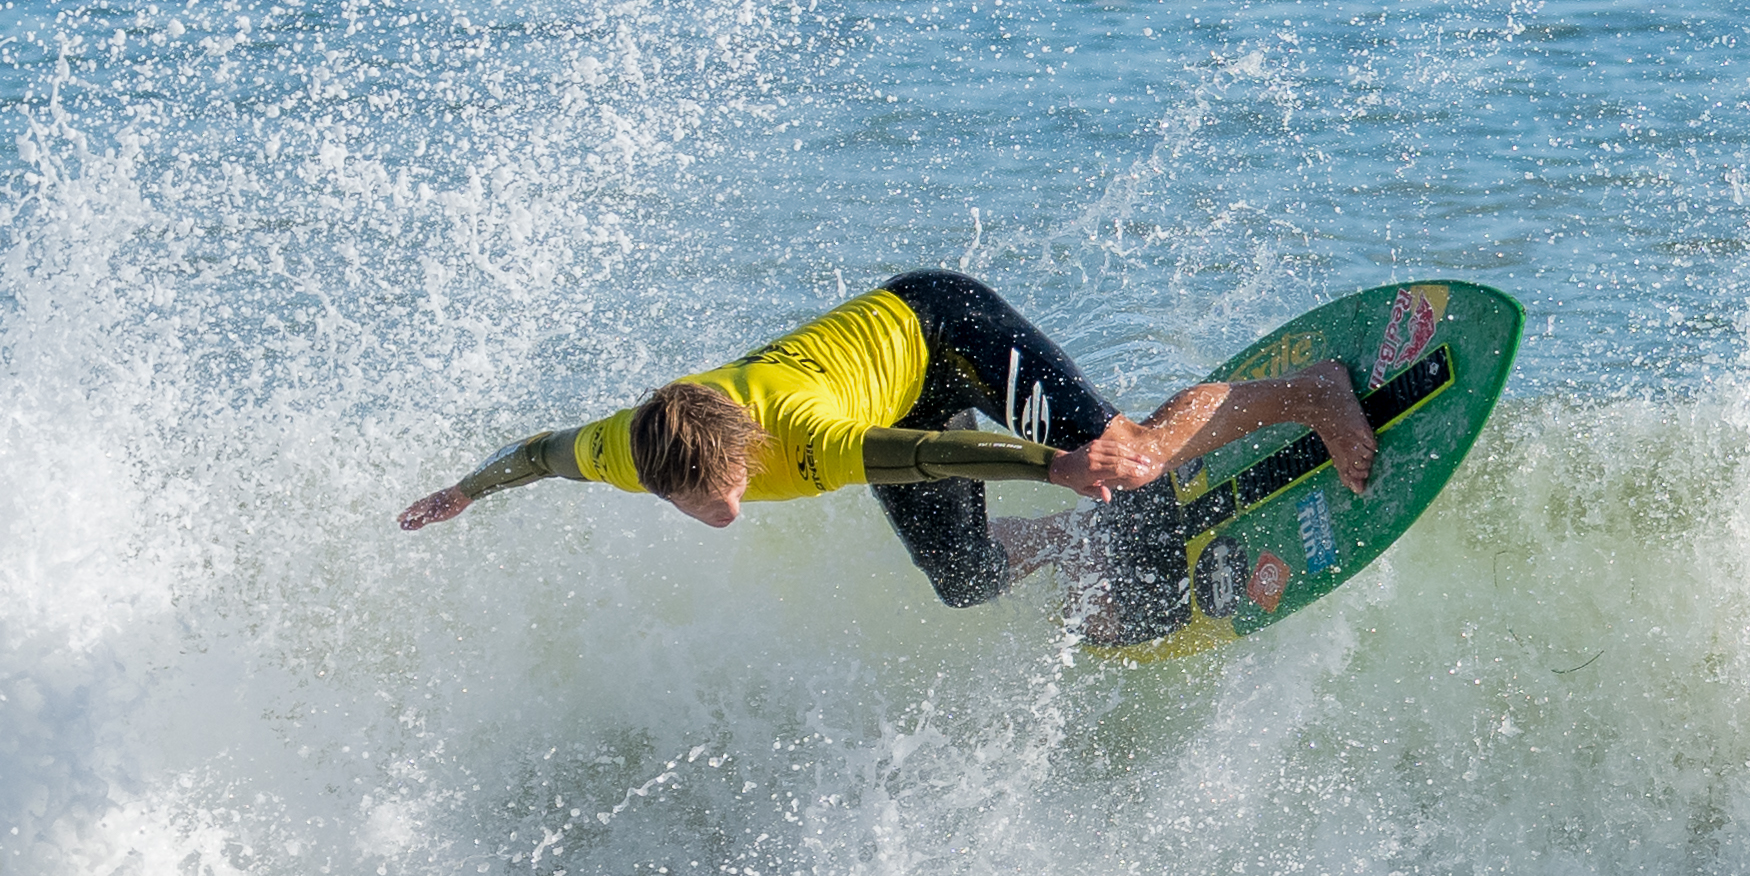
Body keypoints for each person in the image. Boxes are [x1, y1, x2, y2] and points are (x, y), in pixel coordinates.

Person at [398, 271, 1374, 639]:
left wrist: (1058, 464)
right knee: (963, 579)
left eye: (721, 495)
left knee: (1122, 460)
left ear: (742, 453)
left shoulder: (807, 441)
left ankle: (1306, 394)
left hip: (943, 332)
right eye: (694, 507)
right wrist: (466, 491)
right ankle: (1078, 541)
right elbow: (539, 454)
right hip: (888, 390)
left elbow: (931, 459)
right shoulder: (631, 446)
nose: (721, 515)